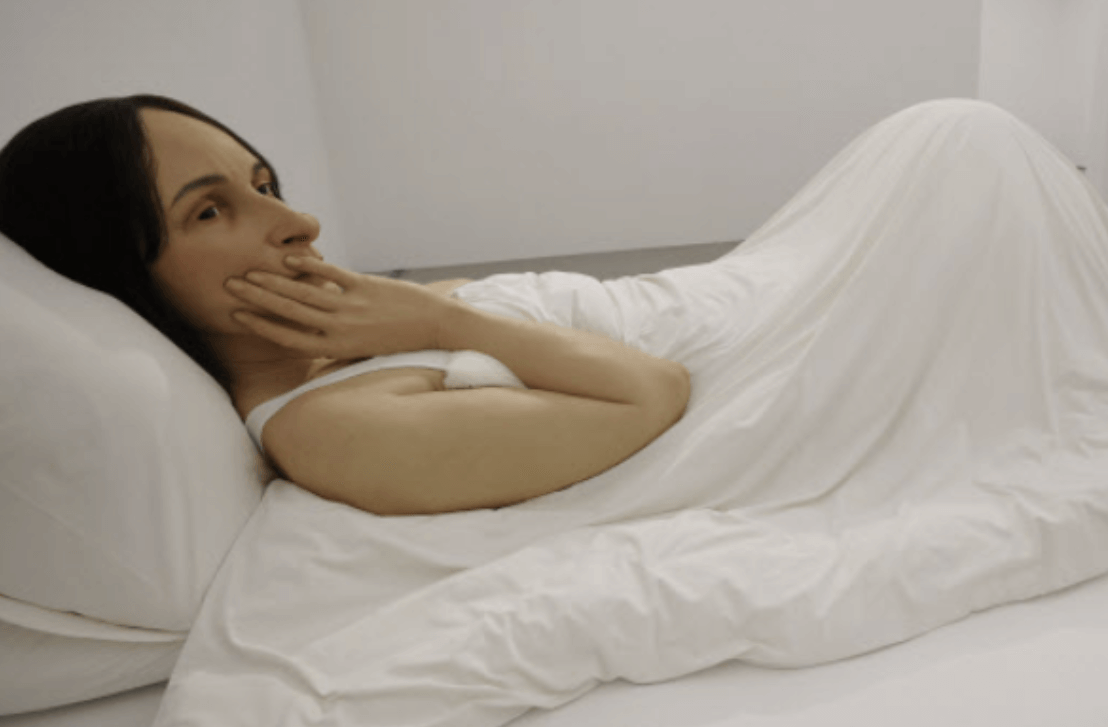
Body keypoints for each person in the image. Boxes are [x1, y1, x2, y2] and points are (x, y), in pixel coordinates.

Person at [0, 95, 690, 515]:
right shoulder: (324, 430)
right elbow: (651, 394)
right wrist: (439, 320)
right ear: (123, 277)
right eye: (208, 211)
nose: (299, 222)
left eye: (264, 187)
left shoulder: (367, 327)